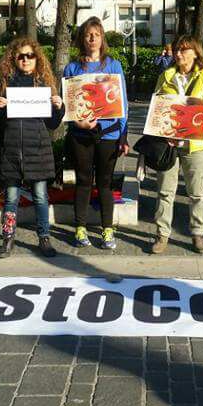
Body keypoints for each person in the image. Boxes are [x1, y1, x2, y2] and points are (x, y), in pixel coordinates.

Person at [0, 38, 65, 258]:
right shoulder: (3, 83)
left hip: (37, 149)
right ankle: (8, 239)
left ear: (37, 58)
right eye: (21, 56)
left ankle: (44, 238)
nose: (26, 60)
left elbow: (53, 124)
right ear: (13, 59)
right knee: (10, 199)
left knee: (40, 197)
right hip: (11, 149)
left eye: (30, 55)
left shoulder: (44, 83)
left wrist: (59, 107)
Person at [151, 35, 203, 254]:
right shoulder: (166, 76)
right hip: (169, 144)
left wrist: (193, 130)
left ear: (195, 53)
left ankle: (198, 233)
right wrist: (164, 130)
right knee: (165, 190)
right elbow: (157, 107)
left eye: (183, 50)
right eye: (176, 50)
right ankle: (162, 234)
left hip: (197, 145)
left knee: (197, 192)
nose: (178, 53)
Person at [63, 17, 129, 250]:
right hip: (81, 135)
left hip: (109, 135)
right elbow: (68, 105)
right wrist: (77, 123)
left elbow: (123, 104)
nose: (92, 39)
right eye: (88, 34)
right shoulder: (72, 68)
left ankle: (107, 230)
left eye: (97, 34)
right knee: (82, 181)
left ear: (102, 39)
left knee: (105, 183)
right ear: (82, 38)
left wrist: (123, 135)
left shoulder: (113, 65)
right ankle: (80, 228)